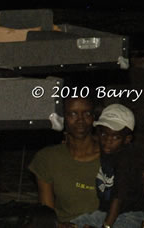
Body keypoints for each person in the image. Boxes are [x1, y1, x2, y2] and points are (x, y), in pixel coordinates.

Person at [70, 104, 144, 228]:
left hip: (132, 214)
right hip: (105, 212)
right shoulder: (109, 149)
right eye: (104, 134)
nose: (108, 140)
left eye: (116, 137)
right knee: (76, 223)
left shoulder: (126, 161)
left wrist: (106, 226)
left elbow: (118, 198)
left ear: (127, 139)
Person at [29, 97, 101, 227]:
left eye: (87, 113)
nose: (80, 120)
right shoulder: (48, 158)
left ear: (94, 118)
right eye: (73, 114)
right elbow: (47, 216)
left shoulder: (110, 156)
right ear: (62, 118)